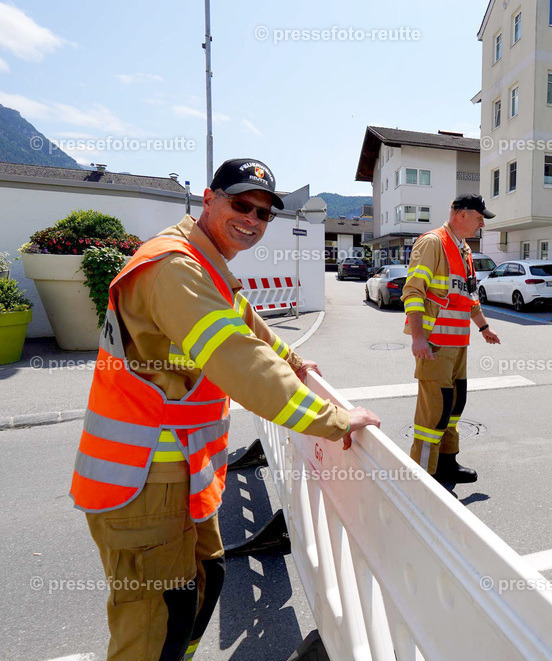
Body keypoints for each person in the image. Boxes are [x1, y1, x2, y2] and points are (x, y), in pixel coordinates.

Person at [70, 158, 380, 661]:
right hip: (142, 477)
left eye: (263, 213)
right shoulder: (175, 267)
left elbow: (248, 326)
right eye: (241, 204)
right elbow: (237, 358)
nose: (253, 220)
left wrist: (297, 363)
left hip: (181, 473)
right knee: (155, 628)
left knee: (204, 581)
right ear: (209, 198)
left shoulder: (205, 263)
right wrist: (335, 420)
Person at [402, 194, 501, 483]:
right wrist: (418, 338)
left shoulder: (464, 250)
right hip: (435, 346)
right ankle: (421, 476)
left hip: (459, 346)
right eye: (479, 216)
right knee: (434, 413)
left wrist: (483, 328)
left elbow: (468, 296)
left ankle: (447, 463)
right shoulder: (433, 242)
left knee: (454, 407)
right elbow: (413, 292)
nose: (482, 222)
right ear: (461, 214)